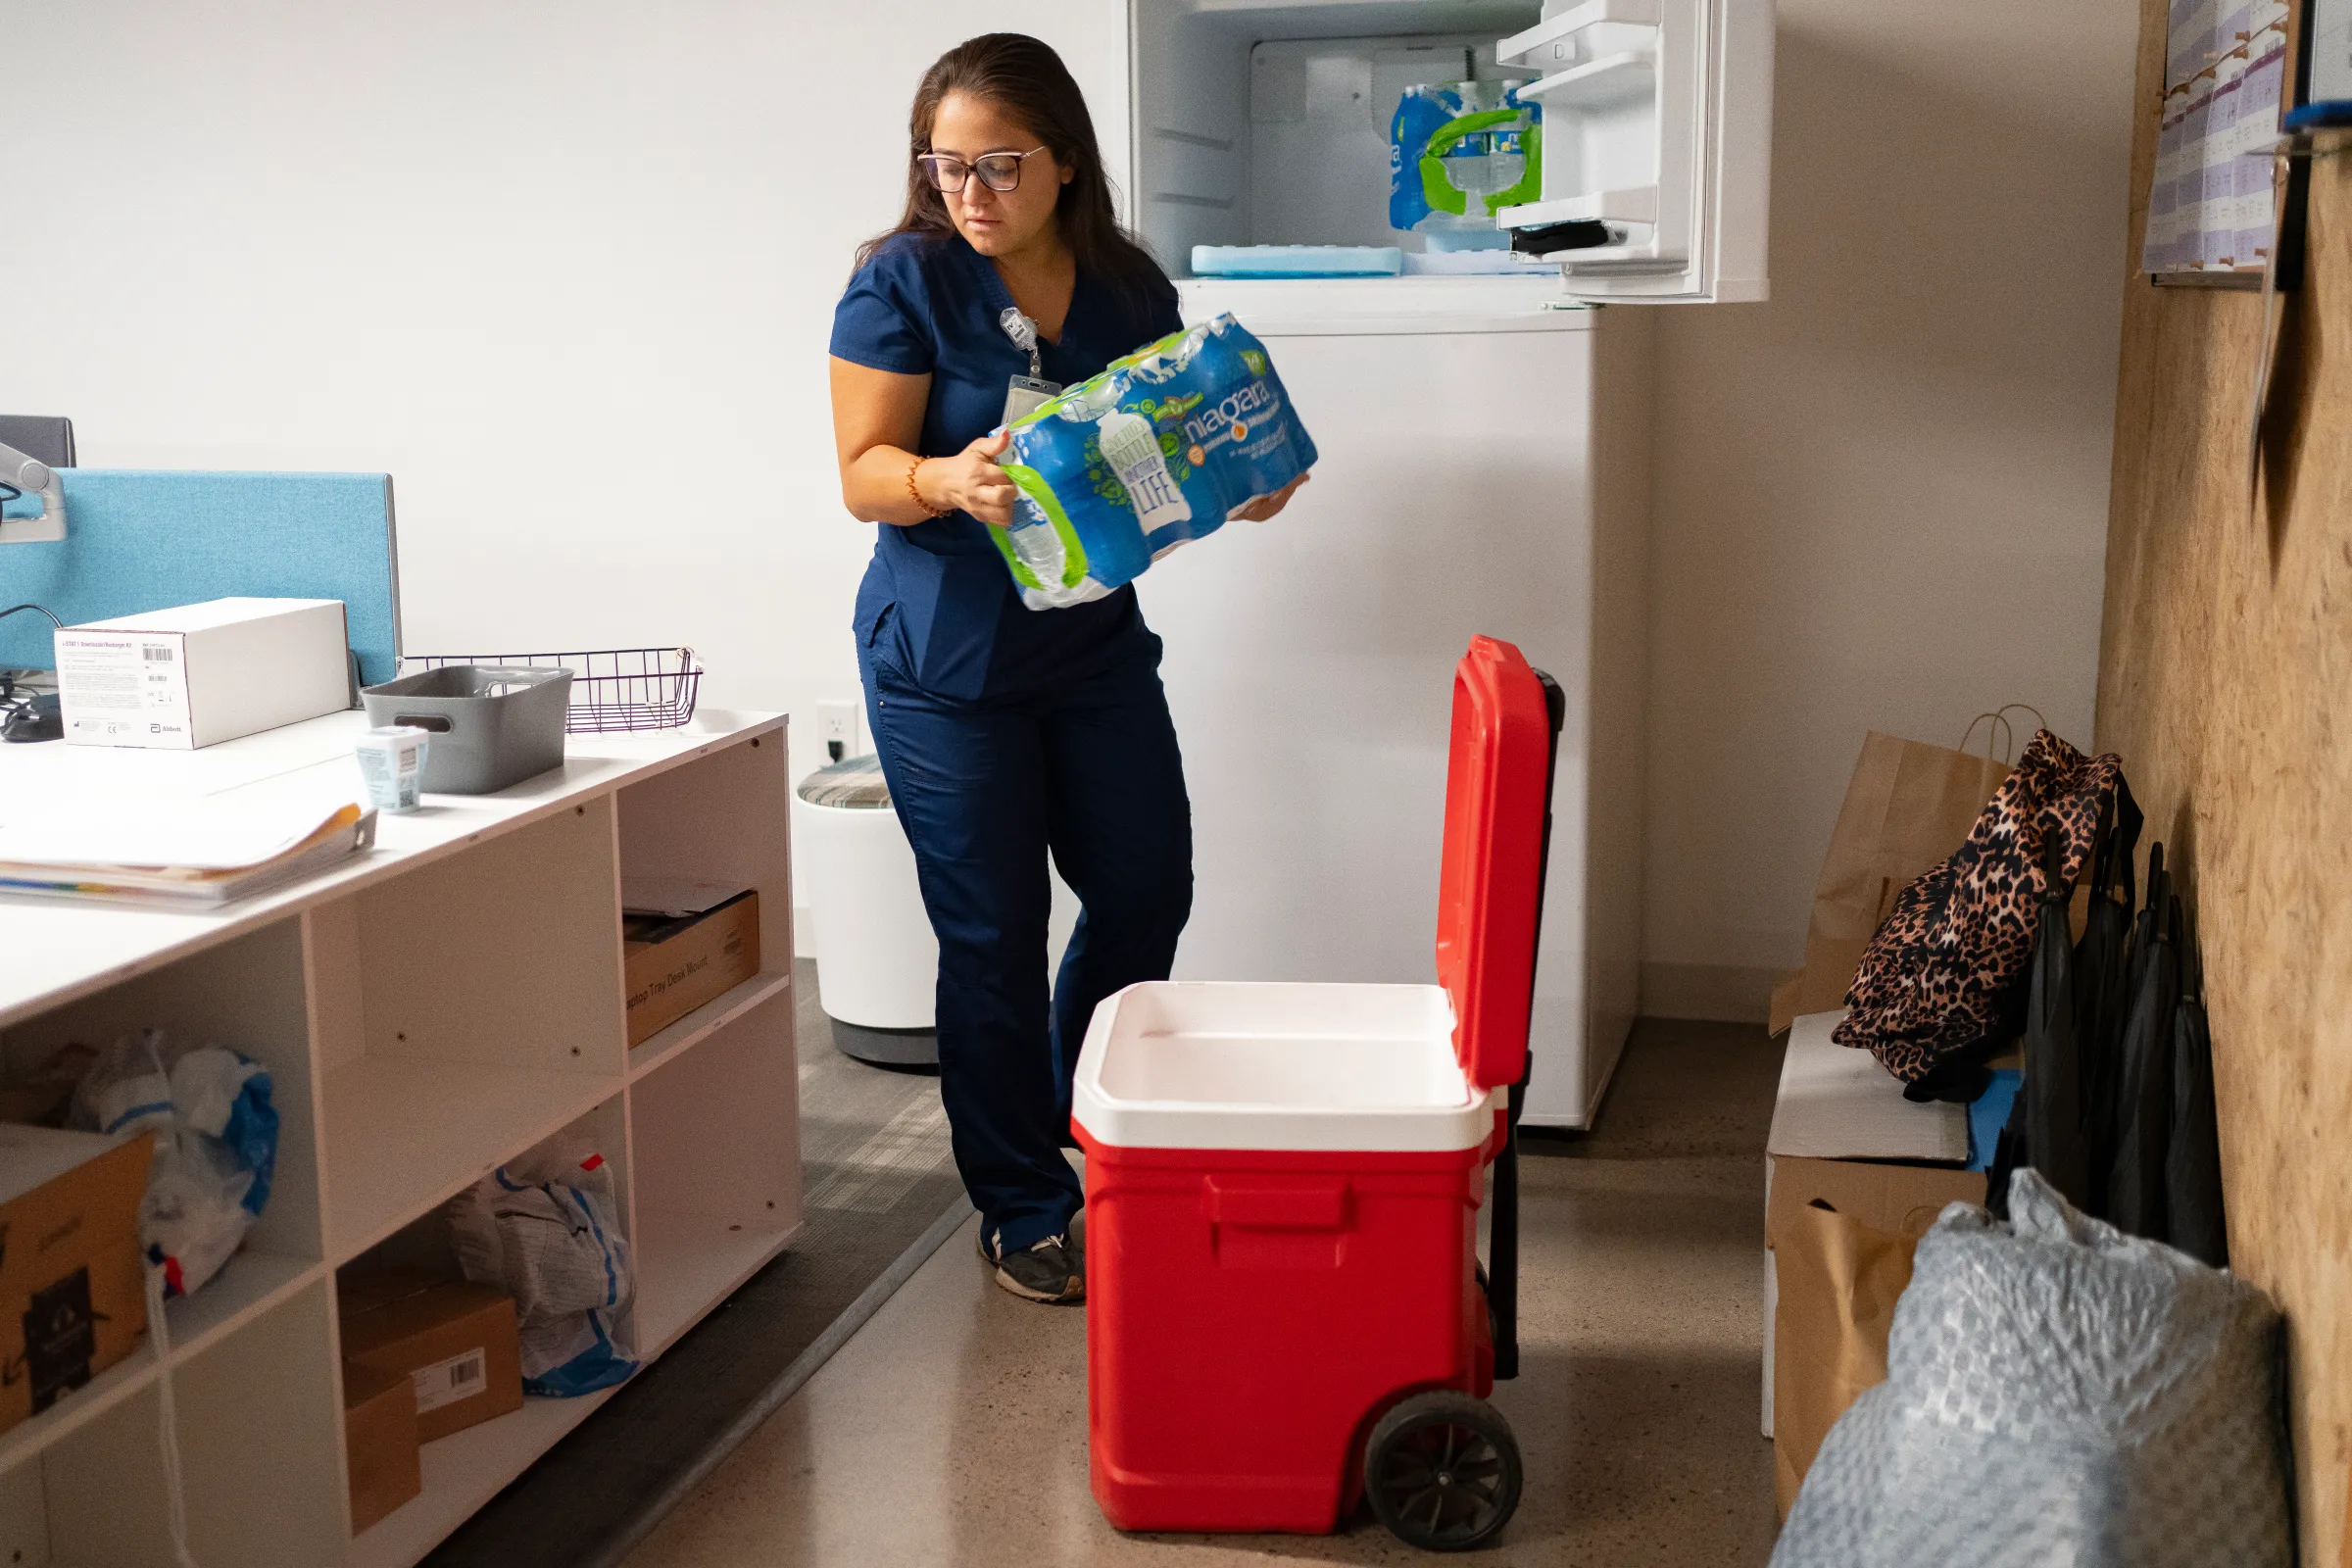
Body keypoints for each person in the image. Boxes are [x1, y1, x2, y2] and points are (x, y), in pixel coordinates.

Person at [828, 33, 1304, 1302]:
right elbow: (862, 470)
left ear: (1067, 163)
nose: (970, 195)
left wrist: (1240, 481)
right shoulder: (903, 284)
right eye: (947, 168)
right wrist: (943, 478)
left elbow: (1161, 465)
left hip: (1090, 650)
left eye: (1000, 165)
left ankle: (1081, 1116)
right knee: (993, 931)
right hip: (946, 664)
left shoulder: (1127, 291)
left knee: (1146, 888)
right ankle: (1022, 1201)